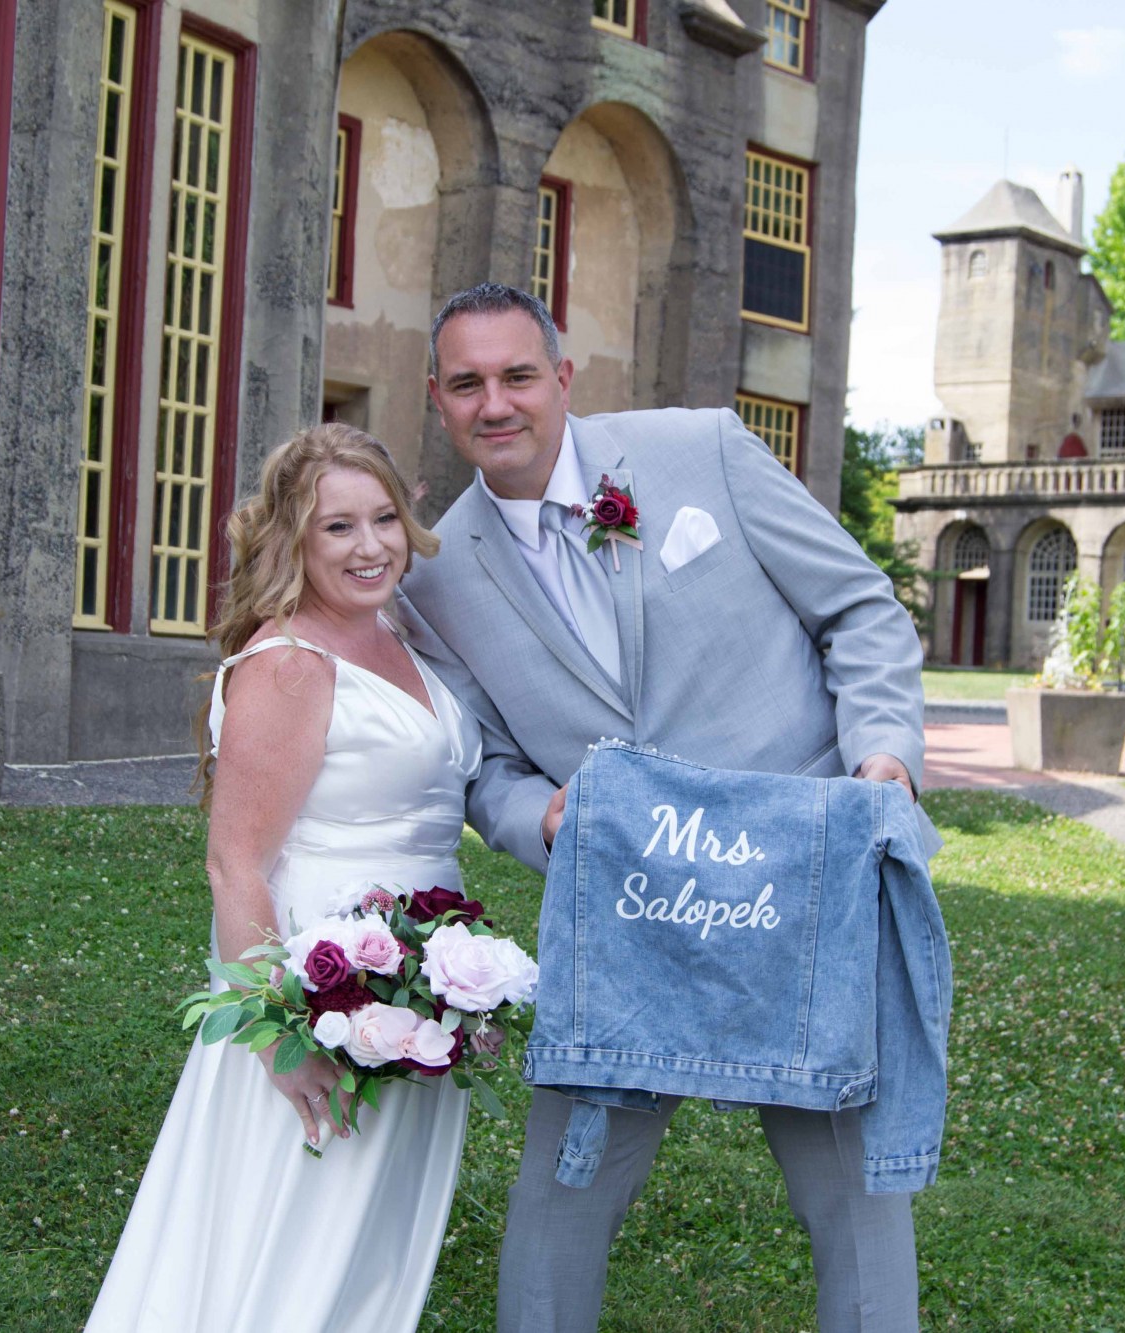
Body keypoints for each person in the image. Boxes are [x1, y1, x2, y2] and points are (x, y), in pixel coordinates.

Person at [399, 283, 937, 1333]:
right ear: (437, 397)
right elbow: (484, 766)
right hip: (630, 917)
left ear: (562, 378)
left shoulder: (704, 451)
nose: (494, 403)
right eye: (466, 383)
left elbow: (860, 610)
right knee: (558, 1203)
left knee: (854, 1198)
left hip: (802, 897)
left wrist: (884, 762)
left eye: (517, 375)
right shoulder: (434, 578)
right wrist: (540, 819)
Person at [86, 423, 482, 1333]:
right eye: (338, 526)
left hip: (417, 984)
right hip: (315, 990)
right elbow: (234, 864)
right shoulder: (292, 664)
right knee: (291, 1229)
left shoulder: (400, 635)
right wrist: (280, 1041)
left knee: (365, 1238)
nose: (370, 545)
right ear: (294, 539)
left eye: (384, 517)